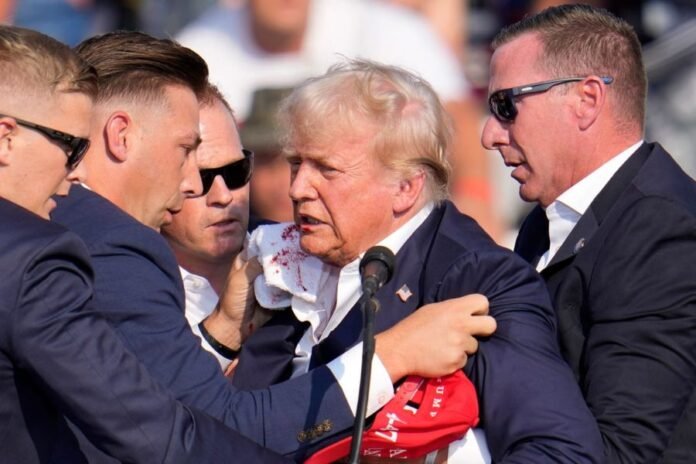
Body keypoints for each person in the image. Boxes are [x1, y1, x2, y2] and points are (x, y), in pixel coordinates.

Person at [51, 30, 494, 462]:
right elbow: (214, 427)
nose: (195, 185)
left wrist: (225, 328)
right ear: (121, 135)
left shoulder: (67, 225)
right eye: (187, 152)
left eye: (236, 169)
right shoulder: (112, 248)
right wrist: (394, 354)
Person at [231, 58, 604, 462]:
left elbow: (561, 450)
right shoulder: (277, 256)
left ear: (406, 188)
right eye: (296, 164)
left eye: (327, 169)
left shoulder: (477, 279)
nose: (299, 188)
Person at [0, 24, 287, 464]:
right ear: (6, 137)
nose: (76, 172)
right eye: (71, 146)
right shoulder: (32, 259)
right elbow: (156, 435)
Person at [481, 4, 696, 462]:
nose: (489, 135)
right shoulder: (547, 222)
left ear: (587, 99)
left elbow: (622, 450)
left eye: (506, 106)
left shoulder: (661, 229)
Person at [177, 0, 503, 240]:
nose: (296, 183)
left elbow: (453, 115)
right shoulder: (199, 49)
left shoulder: (384, 26)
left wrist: (474, 193)